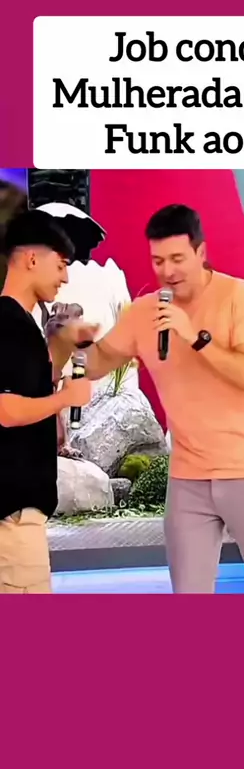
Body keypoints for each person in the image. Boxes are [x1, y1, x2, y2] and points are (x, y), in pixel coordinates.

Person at [83, 204, 244, 594]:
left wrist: (196, 337)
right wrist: (71, 341)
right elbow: (97, 363)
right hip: (188, 479)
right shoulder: (145, 312)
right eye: (158, 261)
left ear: (201, 252)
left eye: (177, 259)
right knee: (188, 593)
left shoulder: (242, 297)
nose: (167, 271)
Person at [0, 211, 94, 594]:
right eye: (61, 264)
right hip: (14, 517)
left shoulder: (19, 325)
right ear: (31, 259)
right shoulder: (9, 325)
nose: (65, 277)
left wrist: (63, 350)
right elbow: (6, 410)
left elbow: (26, 388)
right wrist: (67, 398)